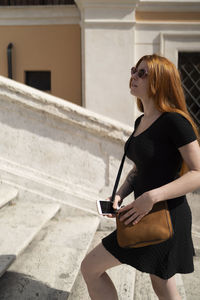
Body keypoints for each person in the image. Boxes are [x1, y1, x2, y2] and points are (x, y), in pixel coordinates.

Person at [81, 54, 200, 300]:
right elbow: (140, 168)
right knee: (163, 287)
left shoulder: (175, 122)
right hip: (145, 213)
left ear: (161, 80)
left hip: (166, 216)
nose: (133, 76)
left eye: (142, 73)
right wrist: (120, 193)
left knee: (90, 268)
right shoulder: (142, 120)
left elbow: (198, 173)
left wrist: (151, 197)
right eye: (134, 70)